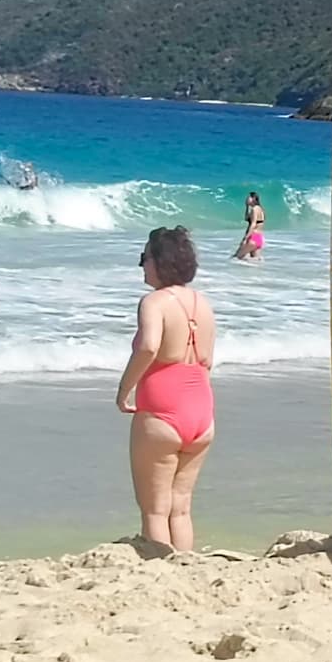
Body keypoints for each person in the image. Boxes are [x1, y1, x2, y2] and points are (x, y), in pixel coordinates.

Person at [116, 226, 215, 551]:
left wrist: (124, 390)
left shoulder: (153, 302)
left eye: (144, 258)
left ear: (161, 261)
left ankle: (159, 566)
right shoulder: (203, 303)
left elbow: (148, 346)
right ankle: (184, 565)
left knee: (155, 510)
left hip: (162, 412)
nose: (141, 265)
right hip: (201, 413)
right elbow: (208, 361)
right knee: (181, 508)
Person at [234, 191, 265, 261]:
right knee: (255, 261)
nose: (246, 199)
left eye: (248, 198)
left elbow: (253, 224)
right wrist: (247, 206)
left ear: (253, 198)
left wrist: (245, 238)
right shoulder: (260, 209)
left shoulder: (254, 209)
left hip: (253, 238)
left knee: (236, 258)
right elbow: (246, 218)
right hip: (259, 238)